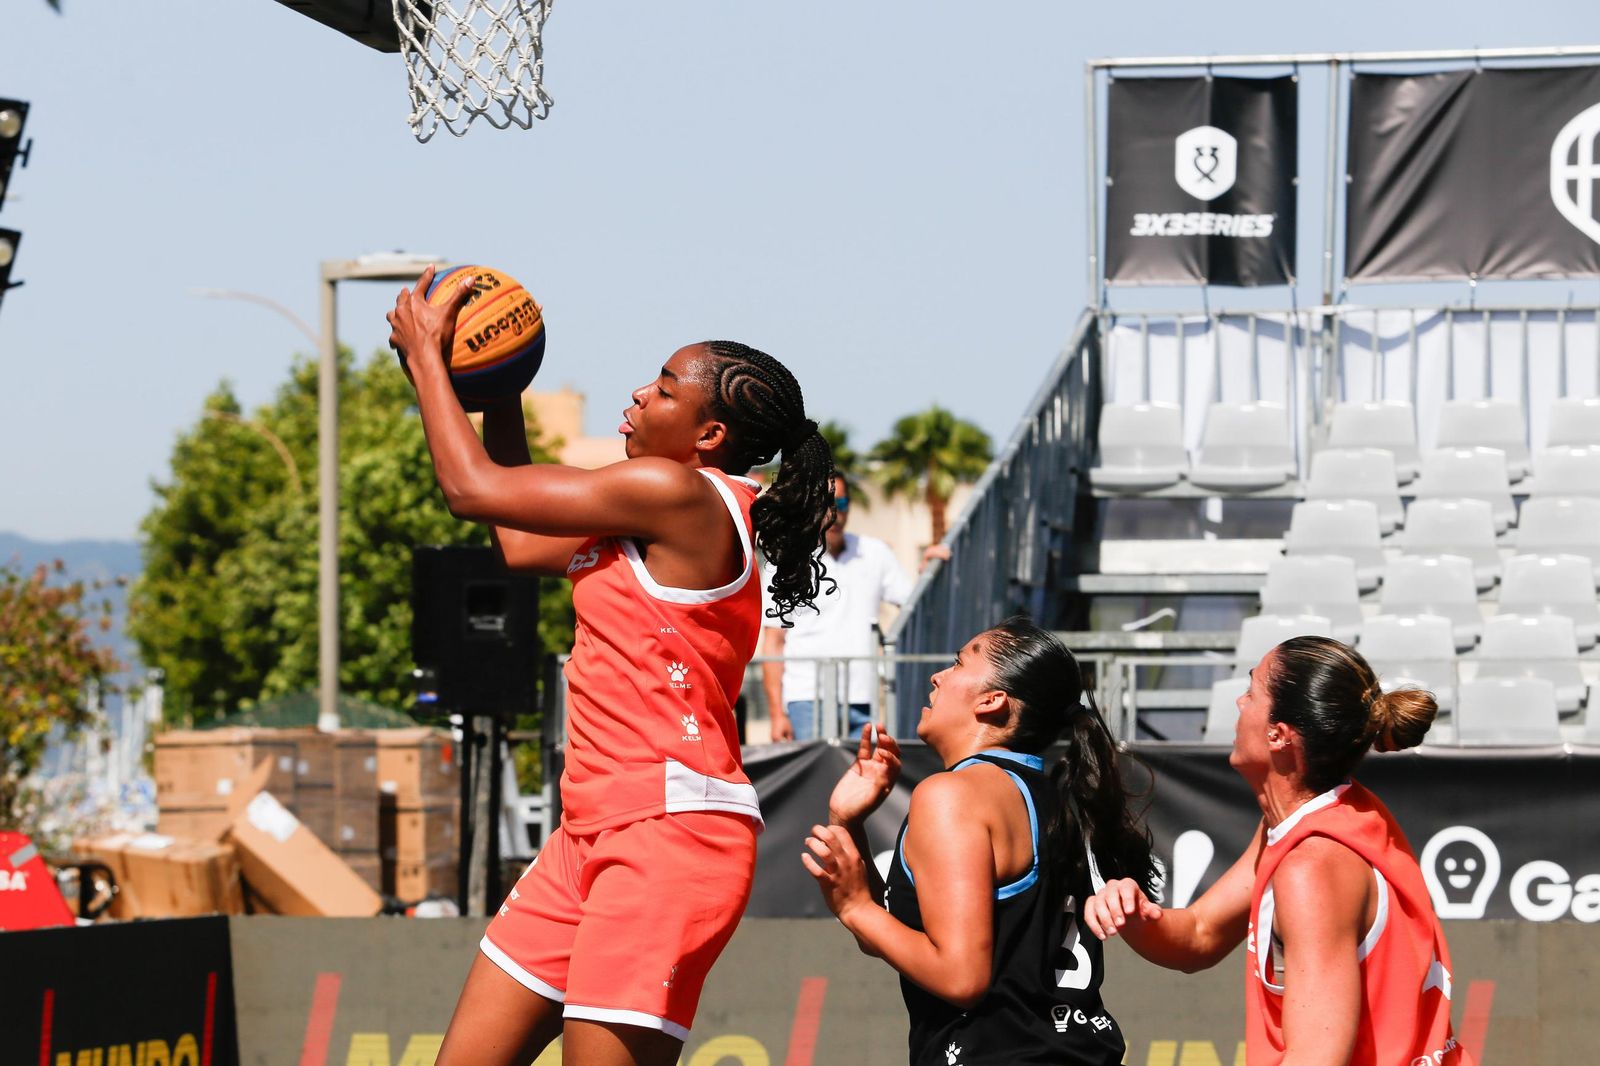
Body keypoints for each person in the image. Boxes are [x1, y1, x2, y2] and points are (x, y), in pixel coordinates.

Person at [386, 266, 835, 1066]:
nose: (639, 394)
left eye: (665, 389)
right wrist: (496, 389)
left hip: (670, 836)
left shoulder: (676, 494)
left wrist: (429, 356)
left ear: (709, 438)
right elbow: (520, 542)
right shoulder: (648, 514)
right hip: (589, 831)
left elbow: (471, 489)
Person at [1084, 636, 1471, 1066]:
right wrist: (1137, 914)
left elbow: (1315, 1059)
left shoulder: (1313, 865)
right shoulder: (1312, 822)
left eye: (1252, 692)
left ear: (1278, 735)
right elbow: (1199, 935)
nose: (1238, 702)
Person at [802, 616, 1157, 1065]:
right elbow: (896, 938)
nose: (937, 675)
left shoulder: (955, 794)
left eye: (957, 663)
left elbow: (959, 977)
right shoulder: (1057, 795)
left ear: (993, 700)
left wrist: (855, 907)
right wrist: (848, 824)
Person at [760, 472, 949, 742]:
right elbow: (774, 642)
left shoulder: (875, 553)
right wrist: (777, 713)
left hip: (864, 698)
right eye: (823, 502)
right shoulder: (784, 562)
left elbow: (913, 605)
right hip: (806, 698)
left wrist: (928, 572)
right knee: (819, 783)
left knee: (870, 779)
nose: (833, 511)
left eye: (841, 503)